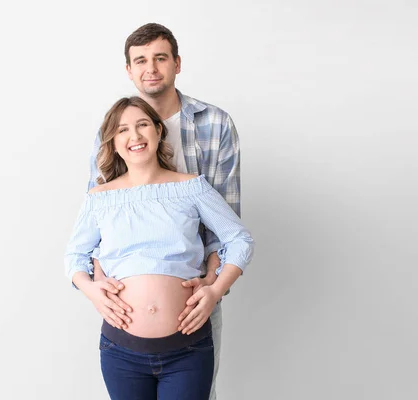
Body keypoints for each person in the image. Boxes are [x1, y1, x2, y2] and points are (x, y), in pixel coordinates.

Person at [87, 23, 242, 399]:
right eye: (140, 60)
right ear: (129, 70)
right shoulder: (114, 130)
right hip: (126, 320)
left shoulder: (215, 124)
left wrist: (212, 286)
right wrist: (96, 285)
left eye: (160, 57)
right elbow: (98, 215)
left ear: (176, 63)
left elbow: (229, 224)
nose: (150, 68)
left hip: (194, 299)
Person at [65, 96, 253, 399]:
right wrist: (91, 290)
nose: (135, 136)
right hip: (121, 352)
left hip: (188, 349)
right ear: (112, 143)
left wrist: (216, 289)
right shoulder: (99, 198)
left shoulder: (191, 187)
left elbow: (239, 239)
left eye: (142, 125)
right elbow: (75, 256)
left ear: (158, 131)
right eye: (123, 130)